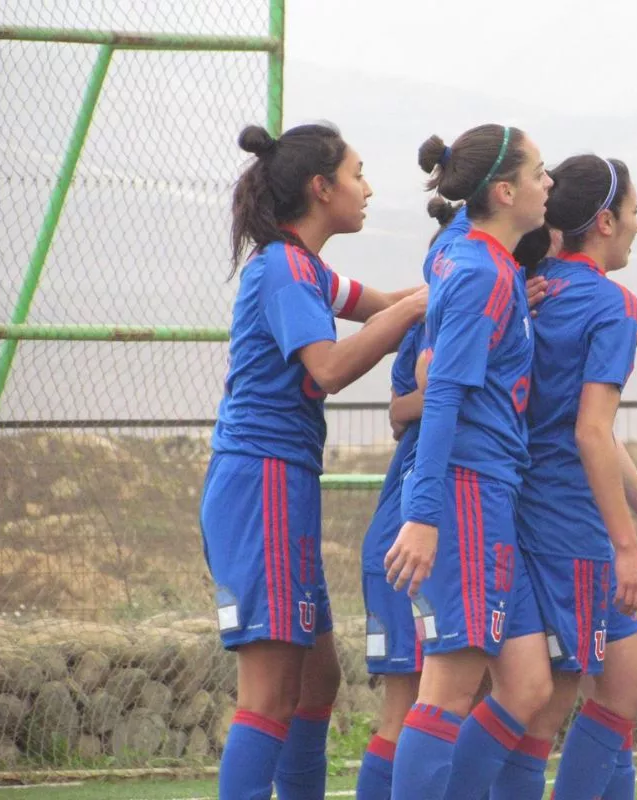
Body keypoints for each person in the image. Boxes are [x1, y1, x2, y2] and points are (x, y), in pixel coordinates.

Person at [201, 122, 427, 800]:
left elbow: (386, 307)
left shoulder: (306, 268)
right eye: (358, 173)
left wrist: (475, 281)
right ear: (321, 187)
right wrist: (423, 305)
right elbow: (327, 369)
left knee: (317, 680)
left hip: (283, 482)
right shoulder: (281, 267)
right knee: (269, 695)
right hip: (260, 482)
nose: (368, 188)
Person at [485, 155, 637, 800]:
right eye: (633, 213)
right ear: (604, 222)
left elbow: (591, 427)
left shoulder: (534, 284)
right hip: (566, 520)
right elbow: (589, 432)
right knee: (554, 703)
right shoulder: (612, 304)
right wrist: (627, 545)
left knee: (620, 685)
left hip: (534, 507)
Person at [354, 201, 552, 800]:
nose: (547, 184)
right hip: (447, 504)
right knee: (426, 697)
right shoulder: (473, 275)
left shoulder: (497, 279)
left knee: (527, 687)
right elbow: (420, 404)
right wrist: (422, 515)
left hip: (484, 499)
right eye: (537, 172)